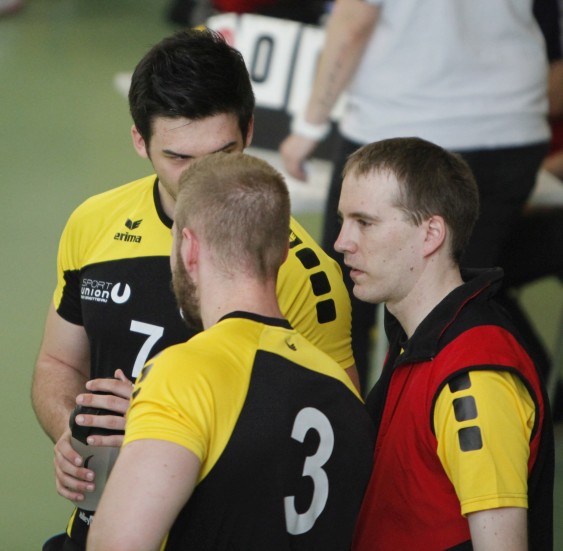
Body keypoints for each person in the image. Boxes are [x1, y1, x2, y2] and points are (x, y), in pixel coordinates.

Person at [32, 28, 358, 550]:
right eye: (180, 158)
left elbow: (326, 444)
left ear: (249, 130)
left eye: (223, 153)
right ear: (140, 141)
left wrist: (162, 430)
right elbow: (57, 362)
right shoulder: (92, 224)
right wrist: (69, 432)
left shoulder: (302, 274)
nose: (204, 178)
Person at [86, 152, 375, 551]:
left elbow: (117, 544)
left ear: (189, 249)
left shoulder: (184, 372)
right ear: (283, 252)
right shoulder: (341, 387)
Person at [279, 0, 552, 392]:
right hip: (511, 125)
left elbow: (354, 20)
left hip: (402, 118)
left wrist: (309, 126)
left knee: (345, 298)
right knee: (460, 296)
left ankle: (349, 423)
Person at [333, 137, 554, 550]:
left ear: (431, 234)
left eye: (364, 222)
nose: (342, 241)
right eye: (343, 220)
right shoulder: (420, 337)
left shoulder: (474, 376)